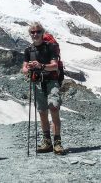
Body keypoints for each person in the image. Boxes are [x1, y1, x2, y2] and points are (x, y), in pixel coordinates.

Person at [22, 22, 65, 155]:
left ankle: (57, 142)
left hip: (51, 81)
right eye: (33, 32)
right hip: (37, 82)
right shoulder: (28, 50)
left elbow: (55, 66)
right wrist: (27, 69)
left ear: (42, 33)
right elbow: (23, 68)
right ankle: (47, 142)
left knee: (53, 107)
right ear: (30, 34)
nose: (35, 34)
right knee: (42, 111)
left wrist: (40, 66)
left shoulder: (50, 47)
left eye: (38, 32)